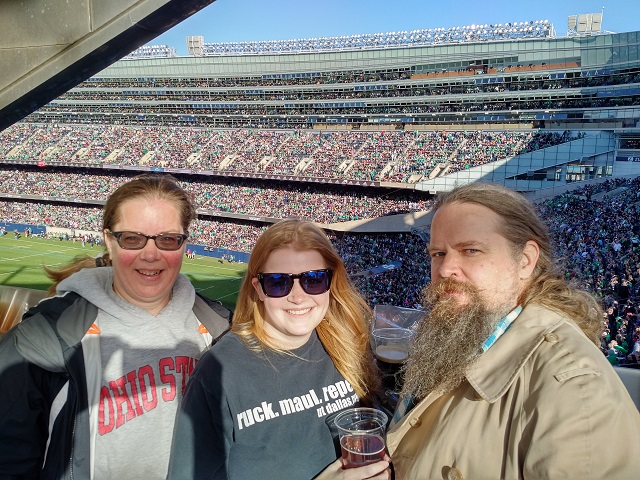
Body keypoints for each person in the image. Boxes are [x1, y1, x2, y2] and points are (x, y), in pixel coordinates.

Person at [386, 182, 640, 479]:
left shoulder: (575, 387)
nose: (445, 269)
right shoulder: (470, 328)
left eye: (470, 250)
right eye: (438, 253)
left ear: (525, 260)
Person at [0, 174, 231, 479]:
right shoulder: (43, 339)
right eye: (132, 238)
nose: (151, 254)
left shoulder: (221, 329)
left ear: (184, 243)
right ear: (109, 240)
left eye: (168, 239)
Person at [168, 219, 389, 480]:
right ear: (258, 289)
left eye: (314, 279)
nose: (298, 296)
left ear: (331, 282)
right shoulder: (220, 372)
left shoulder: (347, 343)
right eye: (278, 283)